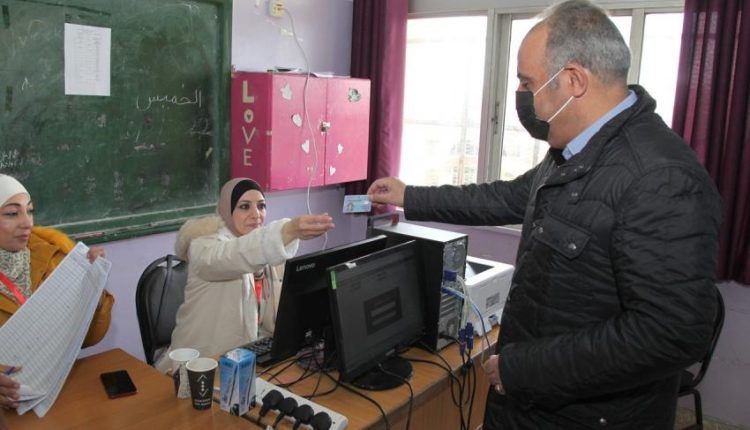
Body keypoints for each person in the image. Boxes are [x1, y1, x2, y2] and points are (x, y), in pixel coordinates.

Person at [367, 1, 723, 428]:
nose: (521, 94)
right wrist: (409, 196)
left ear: (573, 80)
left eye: (527, 81)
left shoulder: (659, 177)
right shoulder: (575, 152)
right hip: (528, 403)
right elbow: (502, 198)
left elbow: (670, 334)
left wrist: (523, 369)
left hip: (583, 414)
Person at [154, 178, 335, 372]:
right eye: (244, 206)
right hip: (196, 367)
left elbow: (274, 321)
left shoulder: (264, 250)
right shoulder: (203, 246)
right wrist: (288, 230)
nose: (256, 214)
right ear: (226, 210)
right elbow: (232, 256)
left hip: (240, 361)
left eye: (261, 206)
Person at [0, 174, 114, 409]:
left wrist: (92, 292)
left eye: (30, 211)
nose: (27, 223)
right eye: (12, 213)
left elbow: (89, 338)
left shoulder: (54, 257)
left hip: (52, 396)